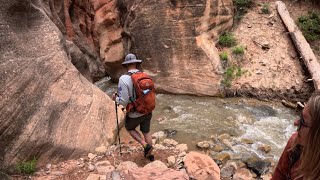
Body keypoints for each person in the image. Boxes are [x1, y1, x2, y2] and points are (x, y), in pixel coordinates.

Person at [112, 53, 154, 161]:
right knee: (146, 131)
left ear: (126, 65)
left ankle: (145, 145)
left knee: (129, 127)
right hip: (148, 110)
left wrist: (115, 99)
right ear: (136, 63)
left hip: (135, 113)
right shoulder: (144, 75)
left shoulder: (123, 79)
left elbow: (124, 101)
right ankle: (150, 156)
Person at [272, 91, 320, 180]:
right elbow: (279, 175)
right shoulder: (294, 144)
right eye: (300, 116)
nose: (295, 123)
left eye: (303, 122)